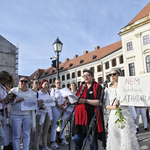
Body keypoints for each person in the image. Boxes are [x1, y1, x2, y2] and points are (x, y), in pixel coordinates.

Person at [105, 67, 140, 150]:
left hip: (125, 114)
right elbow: (106, 105)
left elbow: (133, 100)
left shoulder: (127, 87)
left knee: (126, 136)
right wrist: (114, 107)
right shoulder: (108, 90)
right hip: (114, 115)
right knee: (115, 137)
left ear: (119, 75)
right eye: (110, 75)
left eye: (114, 74)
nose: (112, 76)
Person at [72, 69, 106, 150]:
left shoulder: (97, 86)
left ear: (93, 77)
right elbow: (77, 99)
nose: (85, 77)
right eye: (84, 76)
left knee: (92, 141)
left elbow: (100, 102)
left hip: (91, 117)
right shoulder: (82, 87)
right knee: (77, 140)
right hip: (80, 118)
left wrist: (85, 101)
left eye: (88, 75)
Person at [9, 77, 36, 150]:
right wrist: (17, 101)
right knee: (16, 135)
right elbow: (8, 102)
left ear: (27, 83)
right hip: (16, 115)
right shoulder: (14, 91)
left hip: (27, 115)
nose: (23, 83)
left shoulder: (30, 92)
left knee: (26, 134)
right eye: (22, 81)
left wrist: (37, 102)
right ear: (19, 82)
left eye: (25, 81)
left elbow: (34, 102)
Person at [34, 79, 54, 150]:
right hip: (40, 113)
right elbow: (33, 103)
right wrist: (38, 102)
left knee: (45, 131)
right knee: (39, 131)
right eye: (45, 84)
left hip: (48, 113)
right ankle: (36, 147)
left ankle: (44, 145)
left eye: (47, 84)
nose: (46, 86)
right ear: (41, 85)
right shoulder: (37, 94)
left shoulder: (48, 93)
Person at [50, 79, 69, 150]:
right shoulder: (53, 90)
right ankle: (53, 141)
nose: (58, 84)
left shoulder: (63, 90)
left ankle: (62, 139)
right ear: (55, 84)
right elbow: (53, 100)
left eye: (59, 82)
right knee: (55, 124)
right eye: (57, 83)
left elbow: (66, 99)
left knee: (62, 124)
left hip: (62, 108)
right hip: (56, 108)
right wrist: (60, 106)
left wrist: (65, 105)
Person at [0, 71, 16, 150]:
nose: (6, 81)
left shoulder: (3, 88)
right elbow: (2, 99)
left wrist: (9, 100)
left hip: (3, 112)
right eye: (5, 79)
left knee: (2, 136)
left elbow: (4, 102)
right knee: (1, 135)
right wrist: (4, 99)